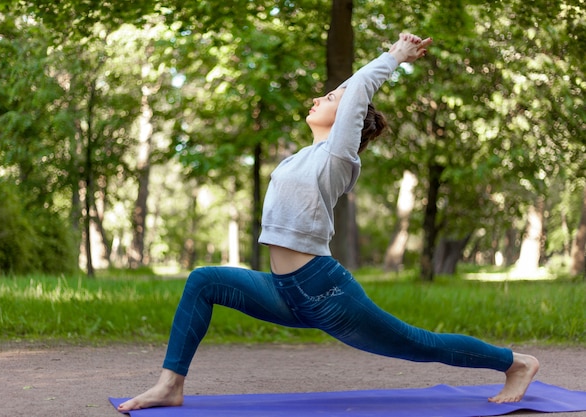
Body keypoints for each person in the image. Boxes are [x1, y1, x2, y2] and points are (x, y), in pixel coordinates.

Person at [118, 33, 538, 412]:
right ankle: (170, 385)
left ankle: (516, 363)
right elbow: (351, 93)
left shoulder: (340, 158)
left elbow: (358, 91)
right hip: (283, 290)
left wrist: (395, 55)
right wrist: (359, 80)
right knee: (203, 281)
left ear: (348, 120)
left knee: (417, 344)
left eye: (332, 98)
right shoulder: (301, 156)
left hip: (323, 290)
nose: (319, 98)